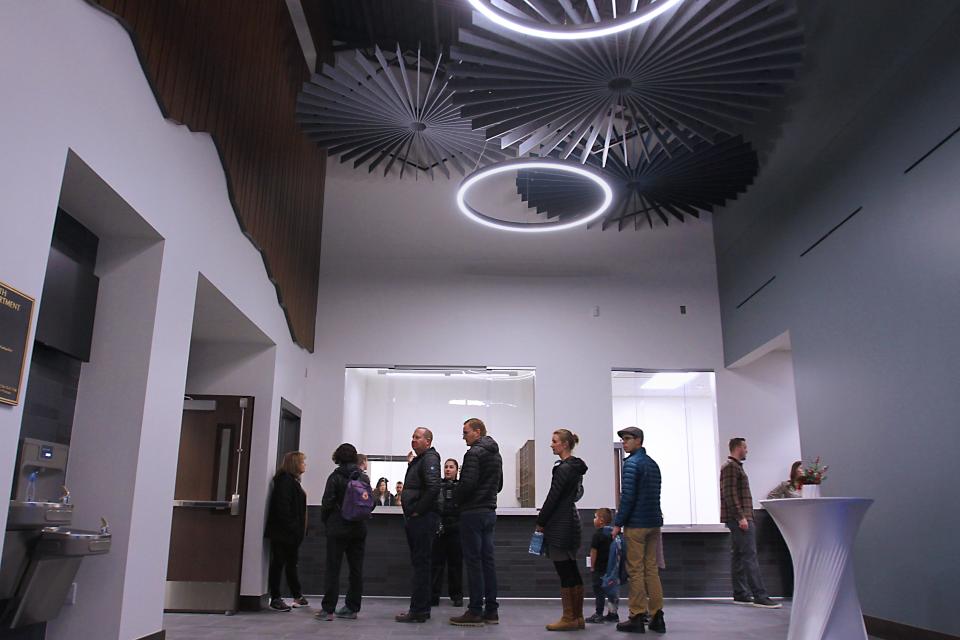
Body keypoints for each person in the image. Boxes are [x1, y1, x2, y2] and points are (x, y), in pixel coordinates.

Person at [450, 418, 503, 627]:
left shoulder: (473, 453)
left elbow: (467, 485)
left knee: (473, 563)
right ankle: (491, 611)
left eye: (466, 432)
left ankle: (474, 611)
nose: (463, 436)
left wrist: (456, 501)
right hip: (489, 512)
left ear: (477, 431)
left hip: (472, 513)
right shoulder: (496, 454)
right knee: (488, 562)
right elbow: (499, 485)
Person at [612, 427, 665, 634]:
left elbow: (628, 497)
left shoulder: (631, 464)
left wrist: (618, 523)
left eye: (627, 439)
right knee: (651, 569)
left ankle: (636, 615)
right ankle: (657, 616)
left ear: (639, 441)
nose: (624, 443)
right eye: (623, 440)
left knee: (635, 570)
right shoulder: (653, 464)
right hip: (654, 522)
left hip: (636, 525)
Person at [537, 429, 588, 632]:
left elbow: (554, 496)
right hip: (571, 521)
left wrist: (541, 520)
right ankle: (578, 617)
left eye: (554, 441)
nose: (551, 444)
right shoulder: (575, 468)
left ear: (565, 444)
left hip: (560, 524)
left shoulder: (563, 469)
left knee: (564, 570)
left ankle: (569, 617)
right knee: (571, 569)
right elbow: (576, 495)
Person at [720, 437, 781, 609]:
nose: (747, 450)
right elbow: (729, 494)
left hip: (740, 517)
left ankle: (740, 593)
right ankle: (760, 596)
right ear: (738, 448)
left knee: (739, 555)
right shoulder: (730, 467)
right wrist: (741, 517)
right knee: (749, 556)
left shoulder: (734, 467)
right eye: (745, 447)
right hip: (740, 518)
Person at [395, 428, 442, 623]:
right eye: (412, 437)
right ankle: (420, 609)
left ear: (428, 441)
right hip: (418, 519)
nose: (413, 440)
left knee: (421, 565)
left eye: (417, 437)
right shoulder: (421, 460)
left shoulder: (430, 459)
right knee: (420, 564)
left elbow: (433, 487)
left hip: (422, 519)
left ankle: (419, 611)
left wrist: (417, 510)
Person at [318, 443, 369, 620]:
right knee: (356, 570)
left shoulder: (335, 477)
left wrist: (327, 521)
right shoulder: (363, 478)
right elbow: (371, 502)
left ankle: (328, 610)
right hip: (358, 529)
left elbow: (327, 503)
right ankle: (352, 608)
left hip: (338, 528)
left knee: (333, 568)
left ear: (337, 457)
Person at [265, 451, 308, 612]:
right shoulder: (286, 482)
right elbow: (283, 508)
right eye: (303, 462)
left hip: (288, 532)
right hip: (283, 532)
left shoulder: (291, 481)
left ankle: (296, 594)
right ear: (295, 464)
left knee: (290, 562)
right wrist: (294, 527)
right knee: (279, 563)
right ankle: (276, 597)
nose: (305, 465)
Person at [432, 458, 463, 607]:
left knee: (456, 565)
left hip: (457, 528)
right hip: (440, 527)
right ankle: (433, 595)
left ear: (457, 470)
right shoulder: (438, 486)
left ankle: (457, 596)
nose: (448, 469)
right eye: (446, 467)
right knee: (436, 564)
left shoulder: (461, 486)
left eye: (451, 467)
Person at [585, 508, 619, 624]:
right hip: (611, 569)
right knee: (611, 592)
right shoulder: (613, 534)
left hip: (599, 569)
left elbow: (593, 552)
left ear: (601, 520)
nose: (594, 520)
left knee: (599, 592)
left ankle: (599, 614)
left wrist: (592, 566)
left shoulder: (597, 535)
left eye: (595, 517)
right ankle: (613, 614)